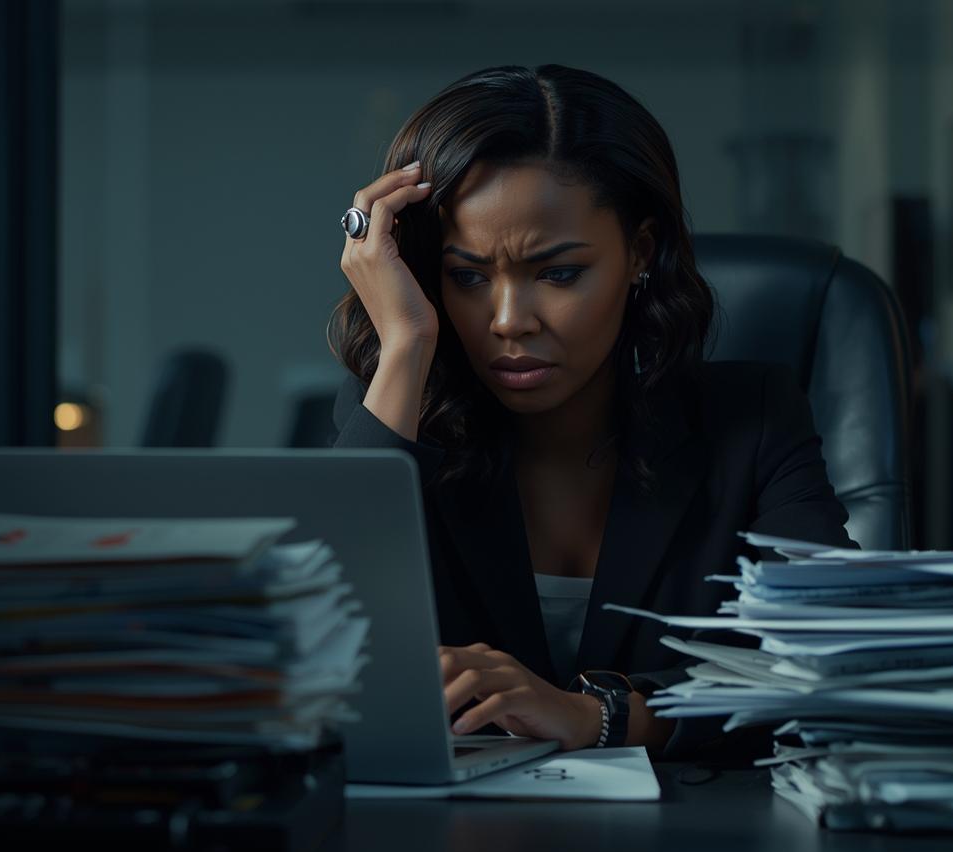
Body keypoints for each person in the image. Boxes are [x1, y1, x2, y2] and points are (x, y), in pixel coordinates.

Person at [328, 64, 854, 760]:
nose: (509, 320)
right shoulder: (391, 415)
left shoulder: (752, 419)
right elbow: (319, 657)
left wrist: (601, 716)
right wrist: (404, 342)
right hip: (453, 826)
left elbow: (832, 660)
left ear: (639, 252)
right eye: (468, 276)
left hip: (701, 823)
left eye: (558, 273)